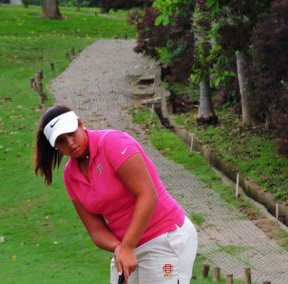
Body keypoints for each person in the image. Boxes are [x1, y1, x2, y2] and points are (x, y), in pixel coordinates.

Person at [34, 105, 198, 284]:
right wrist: (118, 247)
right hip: (128, 247)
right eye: (61, 141)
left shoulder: (112, 143)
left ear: (81, 124)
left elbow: (148, 195)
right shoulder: (71, 175)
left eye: (71, 133)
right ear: (55, 147)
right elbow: (96, 230)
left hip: (164, 237)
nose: (70, 143)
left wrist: (127, 246)